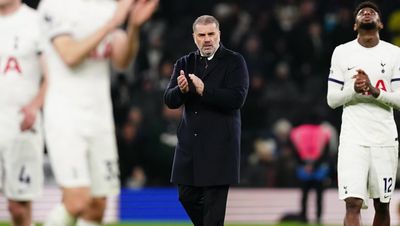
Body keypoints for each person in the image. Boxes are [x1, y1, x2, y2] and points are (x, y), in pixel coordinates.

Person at [37, 0, 158, 225]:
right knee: (77, 202)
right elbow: (70, 55)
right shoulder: (54, 5)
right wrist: (112, 22)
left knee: (96, 207)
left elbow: (122, 61)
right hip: (65, 114)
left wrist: (133, 26)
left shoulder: (109, 6)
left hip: (100, 117)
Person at [164, 15, 249, 226]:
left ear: (219, 34)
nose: (207, 39)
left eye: (211, 34)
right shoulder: (185, 62)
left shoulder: (234, 61)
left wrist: (204, 90)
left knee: (213, 213)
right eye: (202, 35)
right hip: (189, 147)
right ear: (195, 38)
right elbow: (169, 100)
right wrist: (181, 90)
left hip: (220, 147)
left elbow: (237, 98)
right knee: (186, 197)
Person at [327, 1, 400, 226]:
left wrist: (376, 91)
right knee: (352, 203)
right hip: (353, 140)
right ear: (354, 25)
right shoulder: (342, 52)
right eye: (361, 12)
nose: (366, 13)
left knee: (382, 204)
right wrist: (353, 89)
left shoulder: (395, 53)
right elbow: (332, 100)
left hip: (384, 140)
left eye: (372, 12)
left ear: (380, 23)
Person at [0, 0, 48, 225]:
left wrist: (34, 106)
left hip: (20, 125)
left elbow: (52, 75)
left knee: (18, 207)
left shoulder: (35, 21)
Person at [290, 118, 331, 224]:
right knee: (319, 196)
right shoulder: (323, 132)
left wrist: (305, 164)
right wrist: (315, 165)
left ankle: (303, 218)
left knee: (304, 195)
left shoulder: (297, 132)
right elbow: (326, 151)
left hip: (304, 168)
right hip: (319, 170)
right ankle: (318, 218)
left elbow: (294, 151)